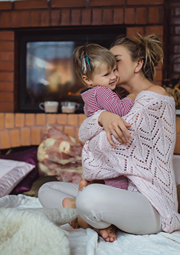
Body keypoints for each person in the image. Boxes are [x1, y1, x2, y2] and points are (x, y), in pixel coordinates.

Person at [38, 34, 180, 242]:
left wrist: (99, 125)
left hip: (150, 202)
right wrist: (103, 117)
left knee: (89, 197)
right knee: (47, 189)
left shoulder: (154, 98)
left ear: (138, 64)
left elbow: (102, 146)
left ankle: (85, 217)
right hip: (118, 191)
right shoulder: (116, 100)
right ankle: (91, 218)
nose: (110, 64)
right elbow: (83, 132)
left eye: (116, 59)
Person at [73, 43, 137, 190]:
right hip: (109, 144)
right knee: (117, 180)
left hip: (97, 146)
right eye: (107, 74)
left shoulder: (88, 94)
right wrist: (132, 97)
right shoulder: (102, 91)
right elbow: (120, 109)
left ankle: (86, 193)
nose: (114, 76)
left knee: (106, 177)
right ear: (87, 79)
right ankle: (113, 201)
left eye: (114, 70)